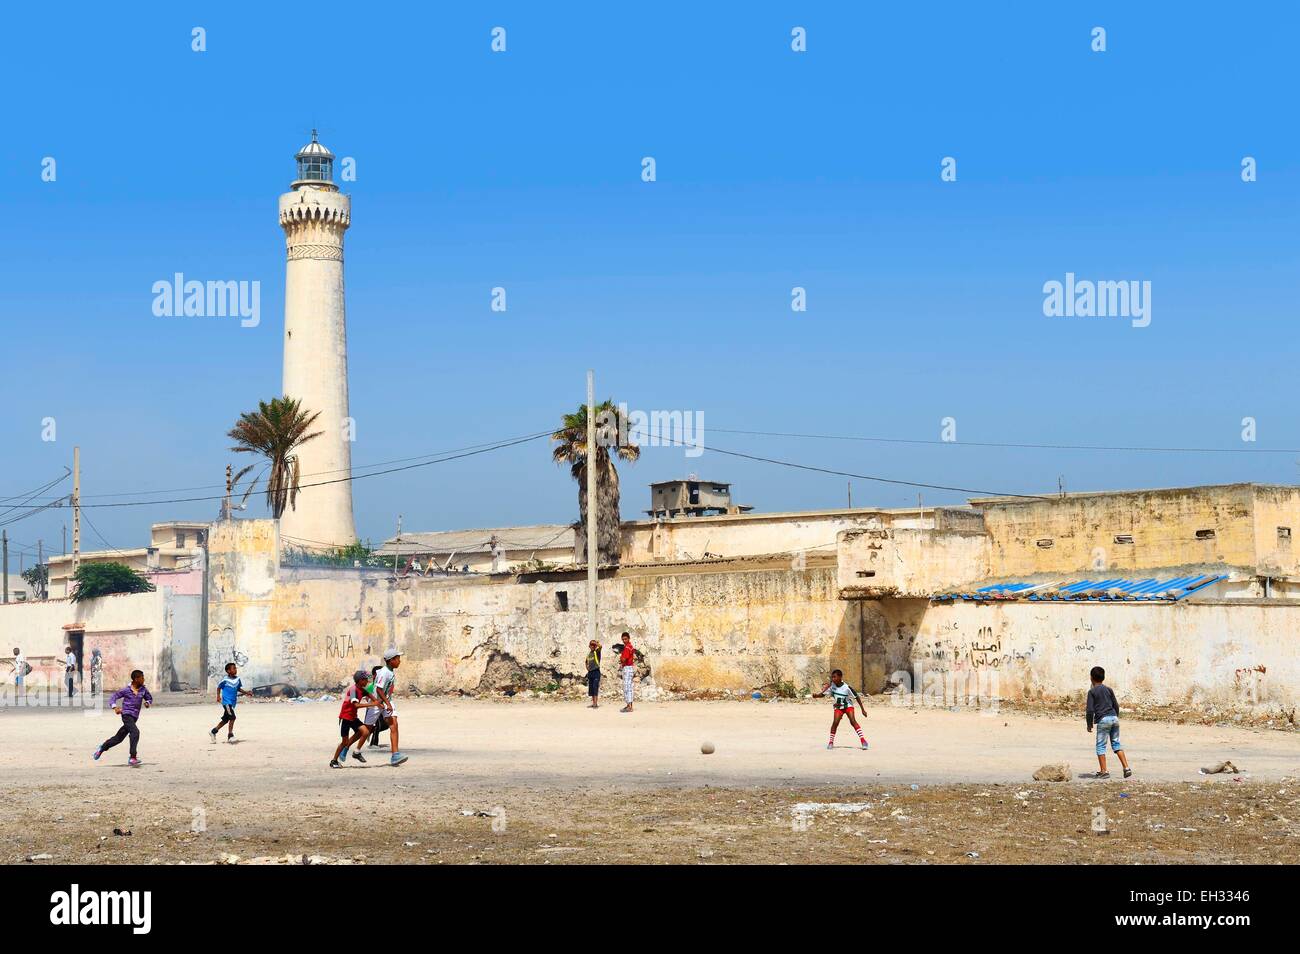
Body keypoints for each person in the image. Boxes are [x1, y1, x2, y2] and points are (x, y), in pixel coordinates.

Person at [93, 669, 153, 766]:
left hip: (134, 717)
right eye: (142, 678)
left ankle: (102, 747)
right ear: (136, 679)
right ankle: (133, 757)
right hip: (126, 715)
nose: (144, 679)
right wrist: (115, 707)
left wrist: (147, 703)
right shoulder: (126, 690)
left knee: (118, 738)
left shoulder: (143, 690)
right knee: (135, 732)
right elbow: (113, 697)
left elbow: (149, 698)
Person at [1086, 665, 1132, 779]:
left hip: (1103, 720)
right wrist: (1115, 717)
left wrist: (1089, 724)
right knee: (1116, 744)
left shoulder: (1092, 692)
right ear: (1103, 678)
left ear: (1091, 678)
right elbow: (1116, 705)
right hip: (1114, 718)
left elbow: (1090, 710)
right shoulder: (1109, 689)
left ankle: (1104, 771)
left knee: (1101, 746)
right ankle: (1126, 768)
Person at [332, 670, 378, 767]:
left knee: (365, 732)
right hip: (346, 718)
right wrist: (371, 704)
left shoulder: (361, 689)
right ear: (360, 680)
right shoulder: (353, 690)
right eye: (365, 680)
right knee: (344, 741)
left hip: (353, 717)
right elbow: (356, 705)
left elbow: (369, 695)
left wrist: (378, 703)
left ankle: (356, 752)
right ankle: (334, 761)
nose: (367, 682)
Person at [814, 669, 868, 750]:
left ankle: (863, 741)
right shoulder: (832, 686)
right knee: (835, 723)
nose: (833, 679)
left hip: (848, 706)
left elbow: (857, 697)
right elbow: (823, 694)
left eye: (835, 677)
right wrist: (816, 696)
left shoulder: (846, 687)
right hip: (838, 707)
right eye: (832, 677)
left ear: (840, 677)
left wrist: (862, 710)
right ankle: (831, 742)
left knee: (853, 721)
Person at [372, 649, 408, 766]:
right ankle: (345, 748)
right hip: (378, 703)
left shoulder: (390, 671)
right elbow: (378, 689)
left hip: (386, 701)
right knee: (365, 730)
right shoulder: (384, 672)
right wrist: (387, 703)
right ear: (391, 660)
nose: (399, 661)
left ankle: (395, 755)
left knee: (394, 724)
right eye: (397, 659)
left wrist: (388, 701)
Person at [209, 662, 252, 743]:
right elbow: (219, 687)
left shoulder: (237, 679)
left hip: (233, 703)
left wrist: (246, 692)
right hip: (226, 702)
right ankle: (230, 735)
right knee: (232, 717)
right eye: (233, 668)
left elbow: (238, 688)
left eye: (235, 668)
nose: (235, 670)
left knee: (226, 719)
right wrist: (218, 696)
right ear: (228, 671)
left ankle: (213, 731)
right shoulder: (225, 680)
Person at [617, 632, 636, 713]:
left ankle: (629, 706)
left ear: (629, 638)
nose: (624, 640)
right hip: (629, 668)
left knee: (627, 687)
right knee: (629, 687)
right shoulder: (630, 647)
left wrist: (621, 659)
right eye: (623, 639)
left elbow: (624, 659)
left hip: (627, 668)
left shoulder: (627, 648)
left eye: (625, 639)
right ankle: (629, 705)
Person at [585, 640, 602, 708]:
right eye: (591, 645)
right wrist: (587, 668)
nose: (592, 646)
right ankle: (593, 703)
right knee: (591, 688)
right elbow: (586, 662)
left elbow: (600, 646)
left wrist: (595, 643)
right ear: (589, 646)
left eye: (593, 645)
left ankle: (595, 703)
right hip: (590, 672)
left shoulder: (597, 652)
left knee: (595, 687)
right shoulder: (589, 654)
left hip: (596, 672)